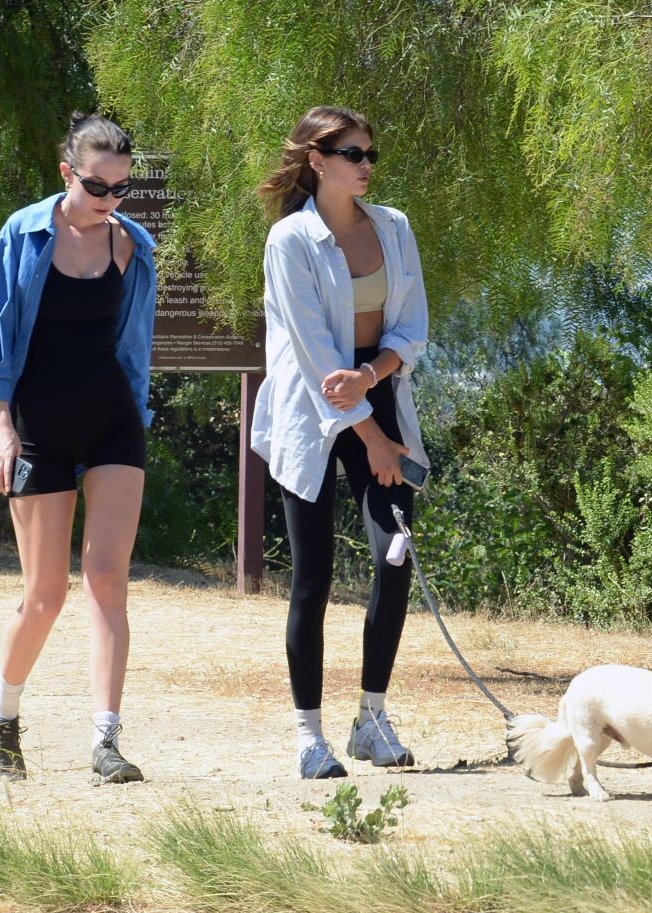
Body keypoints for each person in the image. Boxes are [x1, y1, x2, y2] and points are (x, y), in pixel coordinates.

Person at [0, 112, 157, 784]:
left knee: (108, 578)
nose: (109, 199)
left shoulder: (131, 245)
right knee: (46, 595)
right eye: (97, 186)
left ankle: (106, 741)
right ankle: (1, 717)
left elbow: (133, 346)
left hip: (111, 418)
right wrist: (1, 429)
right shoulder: (24, 234)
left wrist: (137, 414)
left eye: (121, 188)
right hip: (36, 423)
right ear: (67, 174)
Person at [253, 106, 430, 779]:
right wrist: (373, 437)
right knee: (313, 576)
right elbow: (313, 353)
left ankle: (371, 720)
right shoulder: (290, 240)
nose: (365, 165)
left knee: (395, 556)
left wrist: (371, 377)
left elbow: (411, 328)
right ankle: (310, 736)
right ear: (317, 161)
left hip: (375, 391)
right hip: (313, 408)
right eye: (352, 154)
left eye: (370, 154)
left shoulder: (394, 227)